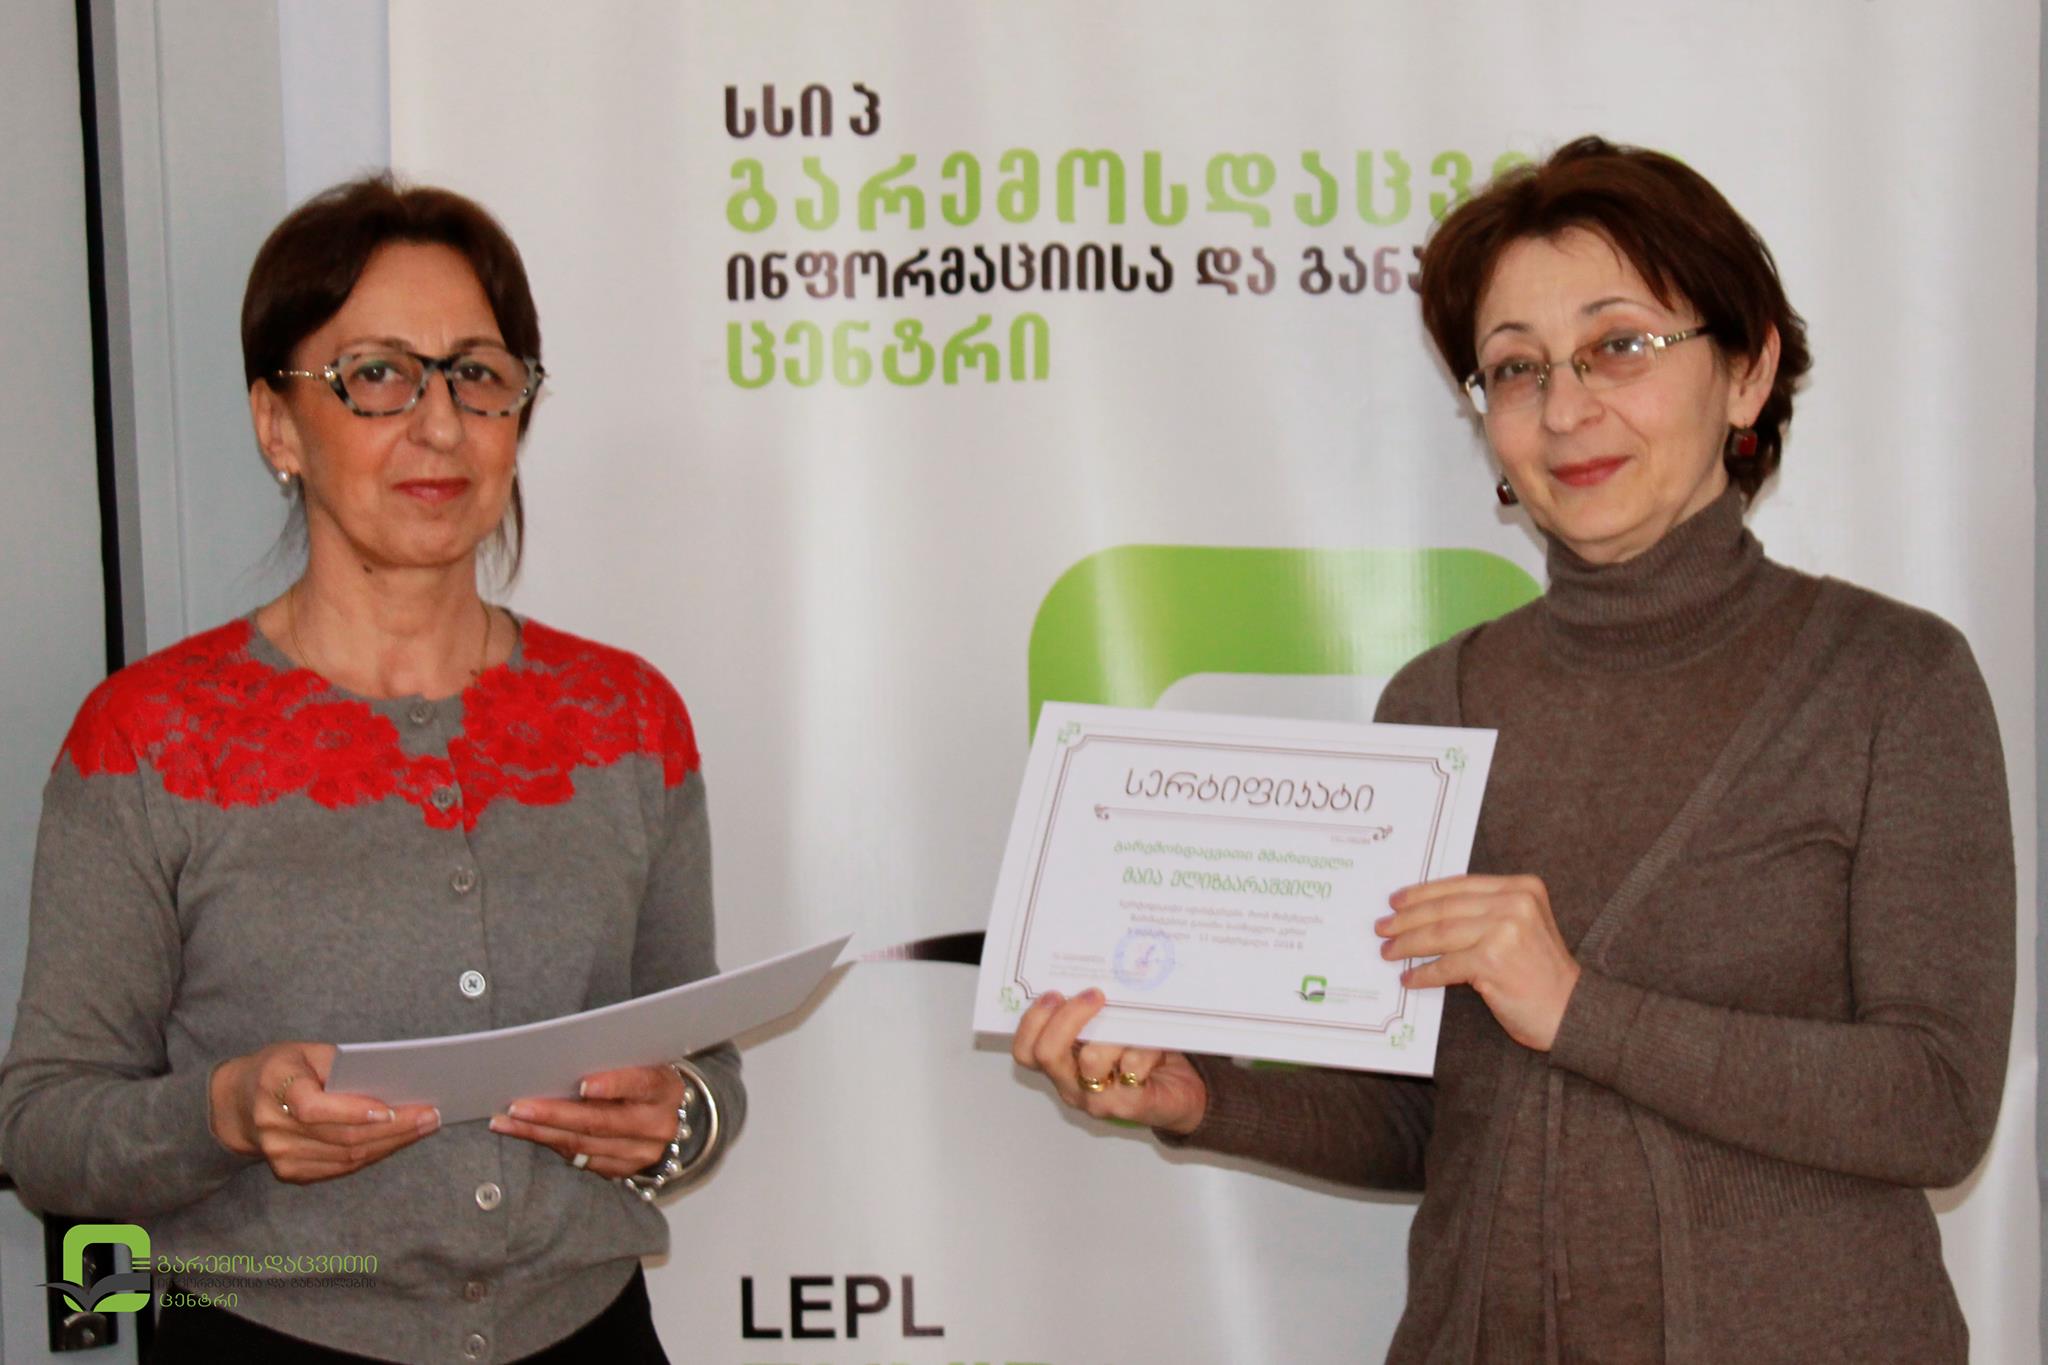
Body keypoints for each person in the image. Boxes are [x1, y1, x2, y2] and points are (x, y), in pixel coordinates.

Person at [1012, 136, 2013, 1363]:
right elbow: (1434, 1117)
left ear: (1746, 373)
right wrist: (1201, 1095)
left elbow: (1935, 1104)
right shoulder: (1435, 704)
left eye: (1618, 346)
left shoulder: (1890, 679)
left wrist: (1579, 1008)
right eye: (1514, 368)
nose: (1565, 409)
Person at [0, 176, 743, 1364]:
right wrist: (222, 1114)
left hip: (590, 1336)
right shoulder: (148, 737)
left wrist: (678, 1119)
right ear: (277, 425)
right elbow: (45, 1130)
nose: (439, 424)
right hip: (262, 1331)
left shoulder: (625, 718)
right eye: (378, 375)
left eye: (477, 375)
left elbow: (698, 1060)